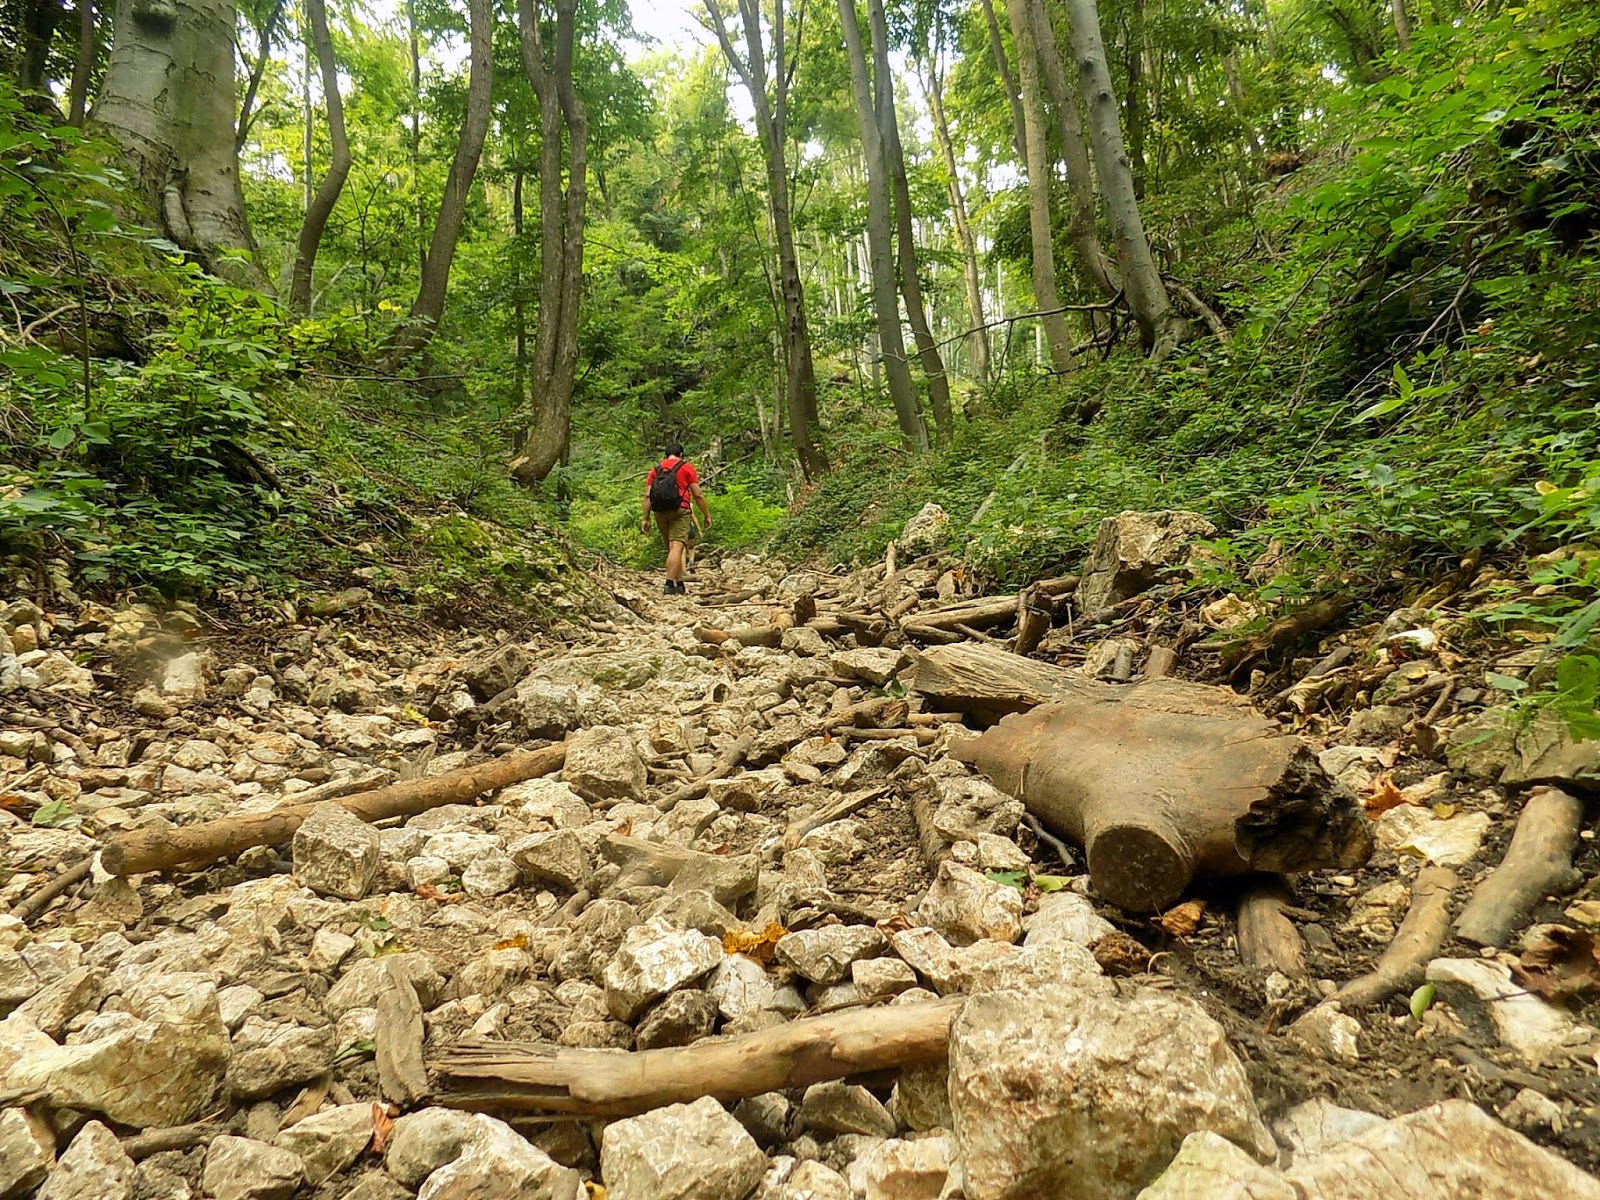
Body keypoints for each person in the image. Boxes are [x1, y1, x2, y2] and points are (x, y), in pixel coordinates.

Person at [642, 441, 711, 593]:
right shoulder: (687, 467)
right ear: (681, 454)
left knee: (671, 548)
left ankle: (679, 583)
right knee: (677, 547)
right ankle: (668, 583)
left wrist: (645, 518)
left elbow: (647, 496)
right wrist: (706, 515)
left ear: (666, 455)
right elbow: (698, 494)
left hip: (660, 511)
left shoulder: (655, 470)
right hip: (681, 509)